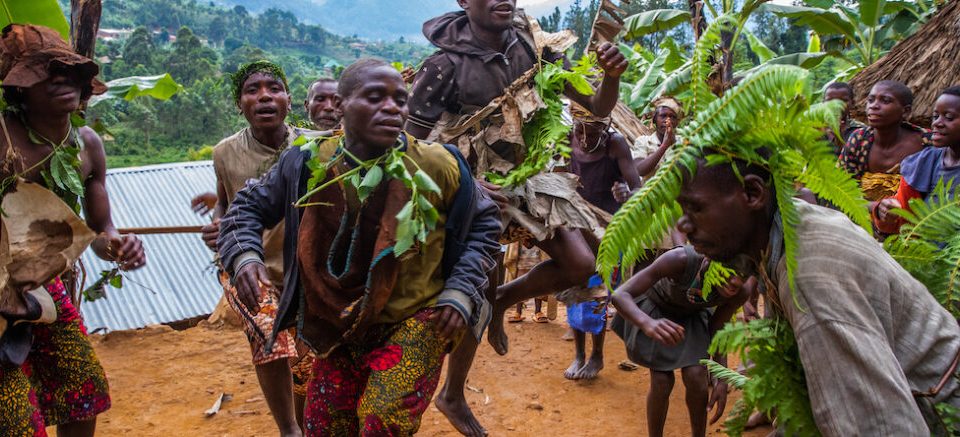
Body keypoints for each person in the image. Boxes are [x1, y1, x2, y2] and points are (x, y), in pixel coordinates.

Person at [217, 59, 501, 436]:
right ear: (340, 104)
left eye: (400, 99)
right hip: (340, 321)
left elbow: (484, 223)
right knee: (322, 426)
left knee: (383, 419)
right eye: (374, 97)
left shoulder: (437, 163)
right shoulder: (308, 161)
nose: (391, 107)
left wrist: (460, 291)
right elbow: (247, 206)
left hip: (417, 317)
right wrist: (245, 256)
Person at [405, 2, 626, 433]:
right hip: (463, 181)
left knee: (581, 264)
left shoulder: (537, 48)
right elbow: (409, 145)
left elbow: (597, 106)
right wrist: (461, 177)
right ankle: (453, 395)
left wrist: (612, 78)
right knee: (477, 291)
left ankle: (506, 300)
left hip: (525, 176)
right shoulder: (444, 64)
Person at [676, 156, 960, 434]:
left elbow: (876, 425)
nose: (682, 225)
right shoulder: (790, 225)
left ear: (753, 194)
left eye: (696, 208)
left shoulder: (811, 281)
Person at [0, 24, 146, 437]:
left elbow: (100, 230)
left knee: (83, 389)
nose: (61, 79)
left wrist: (118, 247)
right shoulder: (1, 137)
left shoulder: (86, 144)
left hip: (49, 289)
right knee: (14, 417)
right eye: (45, 73)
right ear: (18, 89)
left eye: (68, 70)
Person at [192, 60, 321, 437]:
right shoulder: (225, 153)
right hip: (251, 267)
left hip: (304, 270)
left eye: (273, 87)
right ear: (240, 104)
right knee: (268, 333)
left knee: (305, 359)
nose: (264, 96)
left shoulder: (315, 146)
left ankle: (305, 425)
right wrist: (219, 224)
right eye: (253, 89)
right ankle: (289, 430)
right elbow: (224, 201)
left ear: (288, 98)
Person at [611, 246, 750, 437]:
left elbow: (718, 328)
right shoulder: (679, 259)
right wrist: (648, 324)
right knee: (661, 380)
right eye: (731, 271)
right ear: (709, 261)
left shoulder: (741, 291)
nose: (736, 281)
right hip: (656, 312)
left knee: (696, 376)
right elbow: (620, 295)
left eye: (743, 275)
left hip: (692, 317)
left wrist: (722, 377)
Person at [562, 105, 642, 380]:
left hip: (608, 230)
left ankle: (596, 355)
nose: (584, 136)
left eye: (592, 130)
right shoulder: (566, 137)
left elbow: (637, 188)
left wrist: (625, 194)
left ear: (605, 126)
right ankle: (579, 354)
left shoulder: (615, 144)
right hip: (575, 226)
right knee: (575, 289)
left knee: (597, 293)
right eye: (579, 129)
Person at [875, 86, 960, 234]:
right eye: (935, 116)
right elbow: (901, 225)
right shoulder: (923, 163)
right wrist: (887, 212)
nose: (937, 123)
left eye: (949, 117)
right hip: (921, 254)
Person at [839, 80, 932, 206]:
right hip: (861, 216)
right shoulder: (859, 140)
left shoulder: (927, 143)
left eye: (886, 101)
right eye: (871, 100)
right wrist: (873, 208)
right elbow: (840, 188)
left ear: (905, 111)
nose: (874, 106)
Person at [822, 82, 866, 155]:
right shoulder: (813, 128)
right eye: (830, 101)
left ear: (852, 103)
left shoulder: (861, 131)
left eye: (843, 101)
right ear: (823, 103)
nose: (836, 105)